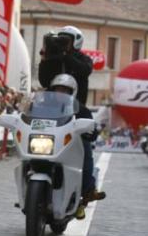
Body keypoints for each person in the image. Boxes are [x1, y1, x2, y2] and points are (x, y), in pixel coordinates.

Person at [38, 26, 105, 219]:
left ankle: (87, 190)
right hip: (50, 108)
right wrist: (48, 57)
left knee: (84, 146)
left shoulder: (83, 59)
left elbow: (84, 71)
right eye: (60, 39)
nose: (61, 42)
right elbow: (44, 80)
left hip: (76, 110)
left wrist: (65, 54)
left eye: (65, 39)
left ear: (76, 41)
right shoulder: (52, 58)